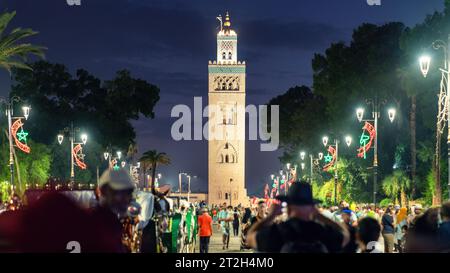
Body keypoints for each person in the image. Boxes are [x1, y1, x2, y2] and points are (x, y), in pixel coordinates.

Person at [246, 182, 350, 253]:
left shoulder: (278, 232)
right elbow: (345, 236)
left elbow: (250, 238)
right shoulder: (321, 232)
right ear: (312, 207)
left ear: (288, 207)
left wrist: (271, 215)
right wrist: (320, 216)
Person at [90, 168, 135, 252]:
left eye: (128, 192)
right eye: (119, 192)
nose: (126, 198)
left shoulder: (114, 222)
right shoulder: (93, 225)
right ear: (102, 191)